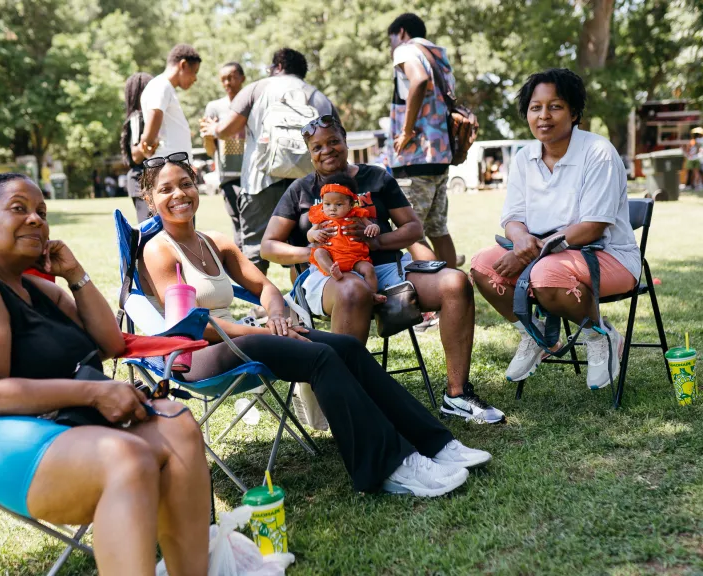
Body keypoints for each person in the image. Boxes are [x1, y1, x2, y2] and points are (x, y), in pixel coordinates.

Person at [137, 153, 493, 497]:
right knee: (320, 356)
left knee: (348, 347)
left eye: (185, 184)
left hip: (247, 338)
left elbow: (264, 287)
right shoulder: (159, 250)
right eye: (166, 189)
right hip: (200, 352)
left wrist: (277, 316)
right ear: (150, 199)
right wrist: (267, 332)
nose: (179, 194)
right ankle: (386, 467)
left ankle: (435, 442)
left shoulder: (215, 242)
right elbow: (193, 324)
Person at [0, 174, 210, 576]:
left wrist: (75, 274)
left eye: (41, 212)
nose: (35, 220)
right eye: (18, 208)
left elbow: (111, 343)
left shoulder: (37, 288)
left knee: (176, 422)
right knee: (124, 457)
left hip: (43, 422)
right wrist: (92, 394)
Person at [260, 116, 506, 424]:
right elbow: (269, 246)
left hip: (387, 267)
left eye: (333, 141)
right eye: (317, 146)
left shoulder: (376, 177)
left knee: (455, 283)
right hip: (329, 276)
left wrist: (374, 243)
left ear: (346, 141)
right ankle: (349, 407)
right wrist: (313, 251)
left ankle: (457, 396)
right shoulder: (300, 189)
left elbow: (414, 228)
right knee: (352, 289)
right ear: (309, 153)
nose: (327, 151)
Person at [470, 69, 640, 390]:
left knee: (545, 275)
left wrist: (530, 252)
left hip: (608, 256)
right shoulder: (524, 158)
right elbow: (513, 219)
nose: (543, 116)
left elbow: (591, 228)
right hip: (544, 258)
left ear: (574, 112)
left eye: (555, 106)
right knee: (482, 265)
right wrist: (521, 242)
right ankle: (534, 336)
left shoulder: (597, 152)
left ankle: (599, 335)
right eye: (536, 107)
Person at [199, 48, 337, 274]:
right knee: (306, 248)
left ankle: (259, 307)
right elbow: (336, 141)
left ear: (278, 67)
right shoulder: (319, 97)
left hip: (260, 181)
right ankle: (303, 303)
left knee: (254, 251)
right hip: (307, 184)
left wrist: (213, 129)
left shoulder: (256, 89)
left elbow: (227, 129)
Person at [387, 13, 465, 269]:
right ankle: (456, 292)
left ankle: (437, 291)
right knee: (437, 228)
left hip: (415, 156)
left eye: (391, 40)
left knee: (410, 230)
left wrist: (406, 131)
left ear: (401, 33)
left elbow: (418, 79)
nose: (391, 47)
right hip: (440, 156)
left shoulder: (405, 51)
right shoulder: (439, 57)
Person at [307, 174, 385, 302]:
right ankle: (333, 272)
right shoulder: (321, 218)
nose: (332, 208)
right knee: (319, 253)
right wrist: (315, 234)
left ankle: (372, 294)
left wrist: (374, 228)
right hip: (332, 255)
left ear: (350, 205)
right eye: (327, 204)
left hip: (355, 257)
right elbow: (310, 235)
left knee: (369, 269)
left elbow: (373, 227)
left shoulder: (357, 215)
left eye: (338, 205)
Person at [202, 62, 247, 249]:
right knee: (238, 224)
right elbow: (210, 150)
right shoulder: (214, 108)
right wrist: (208, 135)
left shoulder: (252, 104)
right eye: (223, 79)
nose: (227, 82)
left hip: (253, 175)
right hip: (229, 176)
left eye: (232, 77)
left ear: (242, 78)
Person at [140, 44, 201, 162]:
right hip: (168, 165)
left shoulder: (166, 87)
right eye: (195, 72)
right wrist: (147, 142)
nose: (195, 78)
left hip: (173, 164)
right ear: (183, 65)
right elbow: (155, 113)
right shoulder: (161, 85)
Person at [120, 72, 154, 222]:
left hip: (148, 179)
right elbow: (136, 154)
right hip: (141, 180)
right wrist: (154, 142)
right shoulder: (137, 118)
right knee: (150, 231)